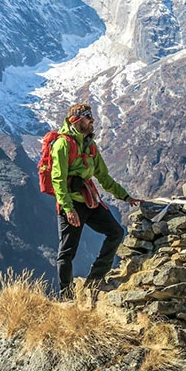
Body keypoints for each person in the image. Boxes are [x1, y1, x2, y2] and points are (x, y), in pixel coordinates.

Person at [51, 102, 141, 299]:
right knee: (67, 251)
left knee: (116, 232)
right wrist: (68, 209)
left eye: (91, 117)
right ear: (76, 120)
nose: (92, 121)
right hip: (72, 204)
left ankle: (95, 278)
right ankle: (66, 296)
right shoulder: (62, 144)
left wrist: (125, 196)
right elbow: (58, 179)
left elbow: (104, 177)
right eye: (87, 118)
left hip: (89, 201)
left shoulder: (90, 146)